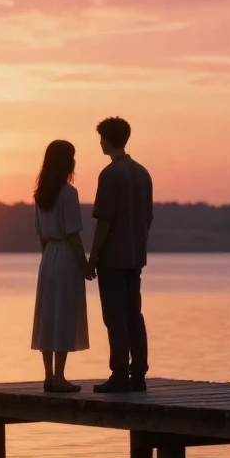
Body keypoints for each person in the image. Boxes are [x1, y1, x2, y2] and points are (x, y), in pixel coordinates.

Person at [87, 117, 153, 393]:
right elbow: (148, 217)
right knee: (133, 314)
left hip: (113, 257)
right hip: (136, 255)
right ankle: (138, 373)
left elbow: (104, 221)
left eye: (101, 138)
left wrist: (93, 257)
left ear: (107, 139)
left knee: (115, 317)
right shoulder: (142, 173)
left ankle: (119, 374)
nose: (100, 143)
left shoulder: (110, 174)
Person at [31, 140, 91, 393]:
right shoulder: (68, 193)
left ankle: (48, 376)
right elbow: (73, 233)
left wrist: (47, 259)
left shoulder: (40, 195)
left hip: (48, 258)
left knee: (48, 316)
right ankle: (59, 377)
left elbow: (41, 236)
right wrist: (85, 264)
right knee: (63, 314)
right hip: (65, 256)